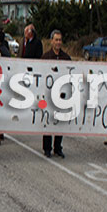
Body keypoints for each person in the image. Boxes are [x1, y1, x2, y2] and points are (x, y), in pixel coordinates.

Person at [40, 30, 70, 158]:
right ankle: (47, 148)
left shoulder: (66, 58)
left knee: (60, 122)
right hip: (48, 95)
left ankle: (58, 147)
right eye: (56, 40)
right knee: (48, 121)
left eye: (60, 40)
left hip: (61, 96)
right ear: (51, 41)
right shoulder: (45, 57)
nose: (58, 42)